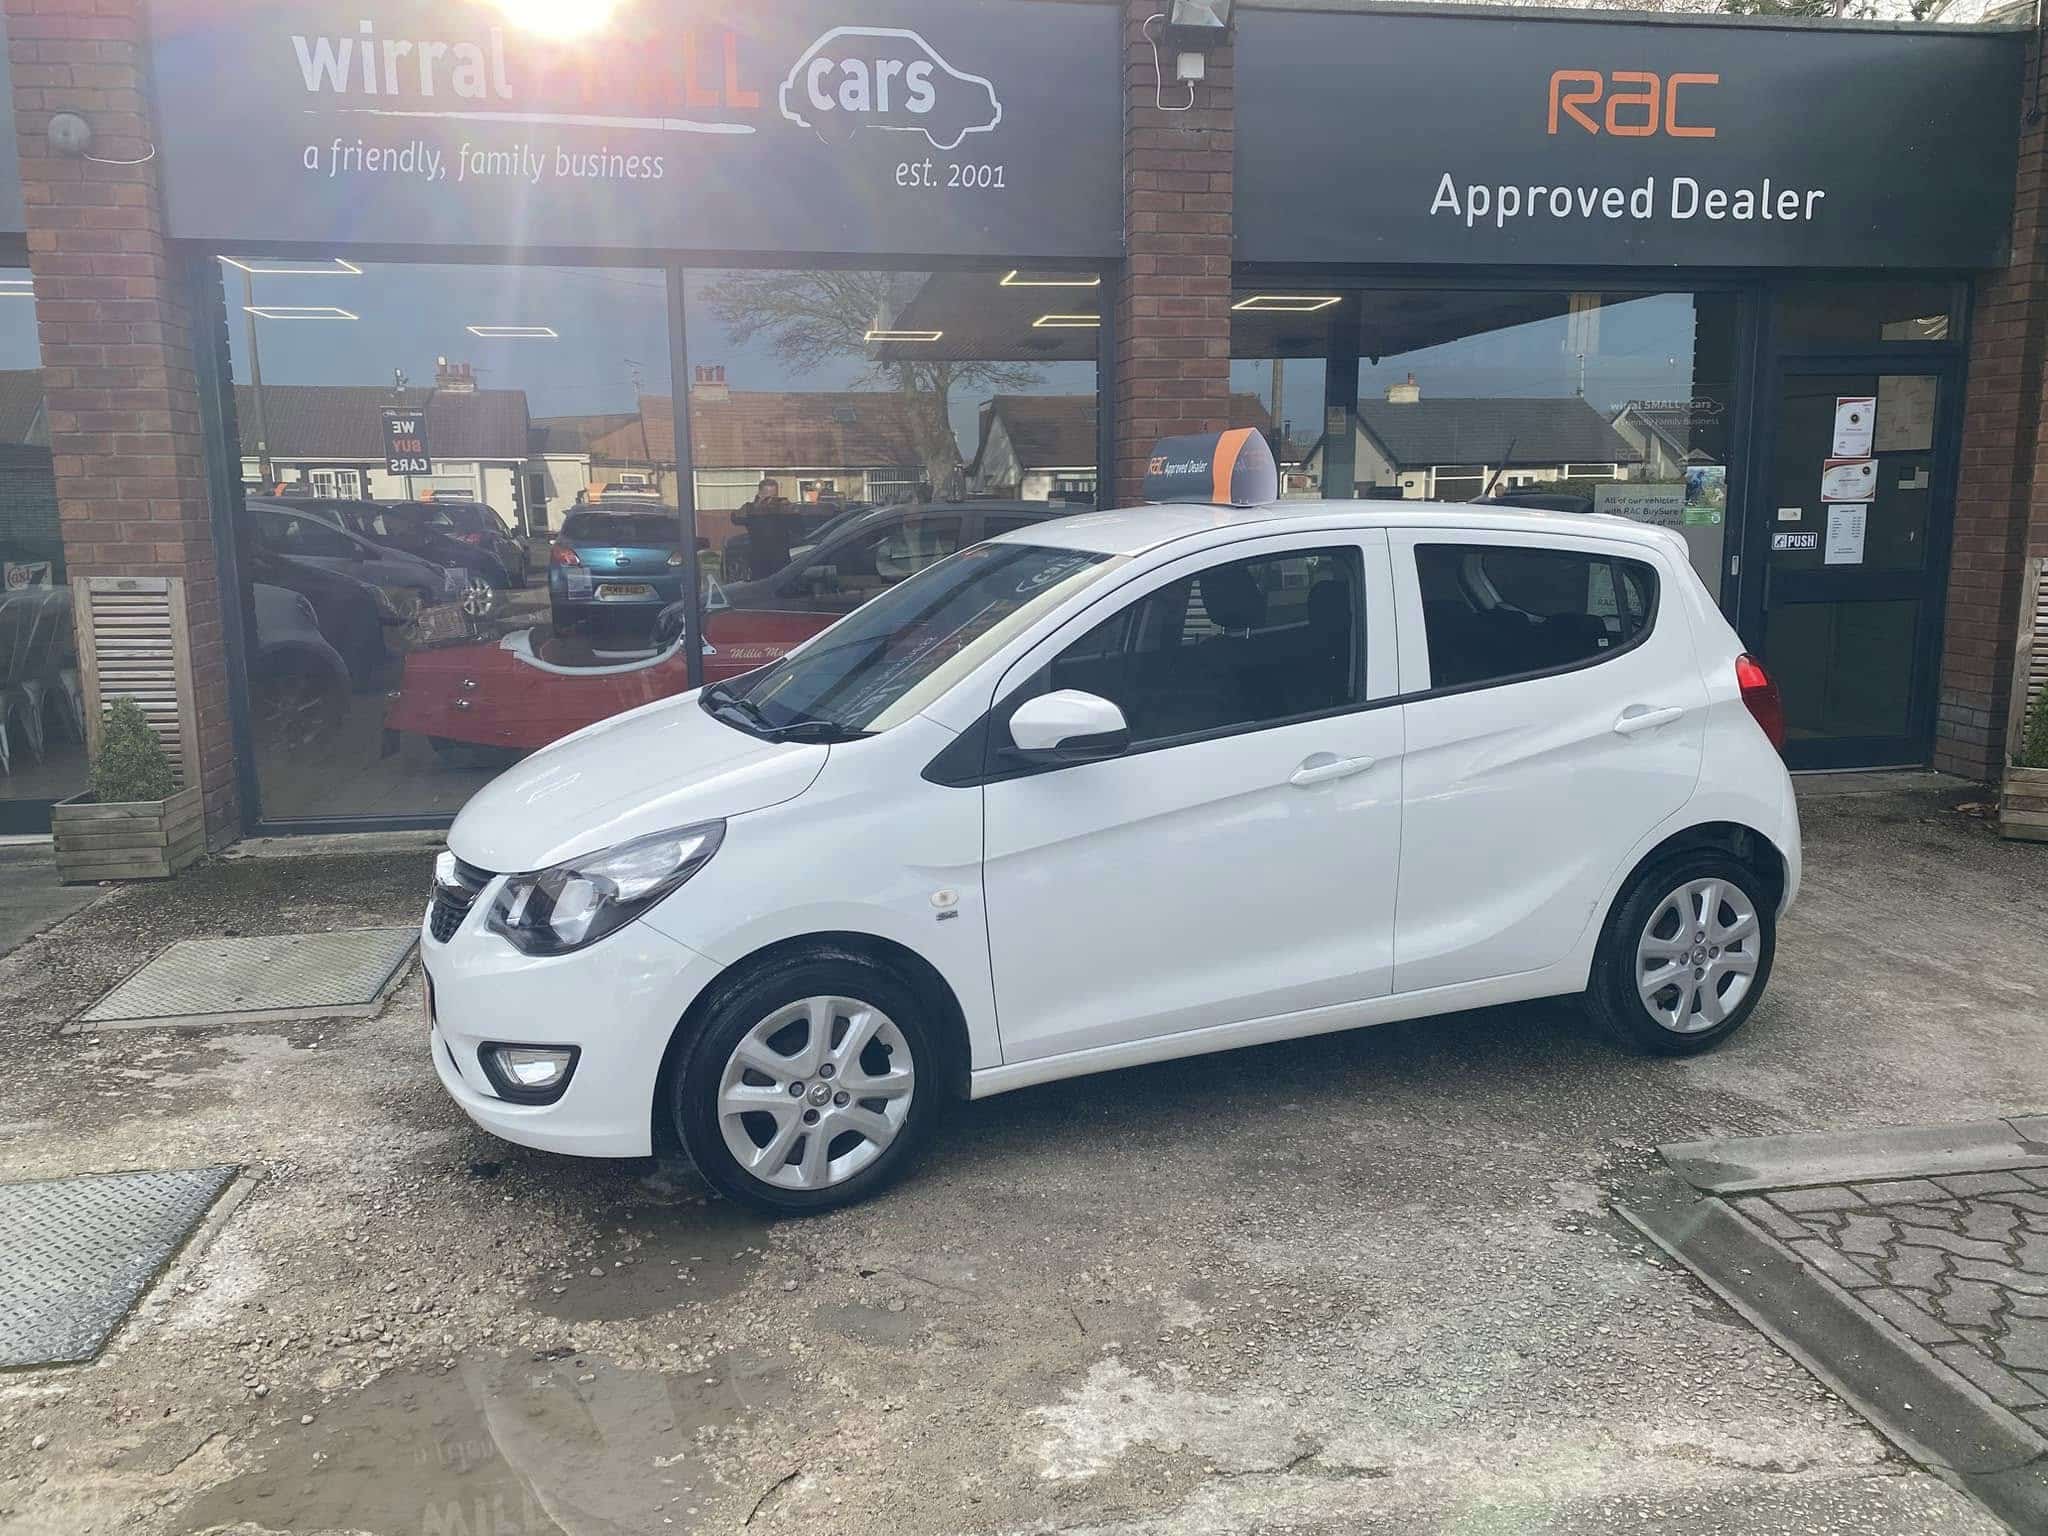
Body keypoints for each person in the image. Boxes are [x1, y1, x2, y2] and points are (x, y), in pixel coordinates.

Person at [733, 477, 801, 577]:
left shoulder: (782, 508)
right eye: (768, 498)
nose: (771, 501)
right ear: (760, 494)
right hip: (760, 562)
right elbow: (736, 519)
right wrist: (758, 505)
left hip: (781, 561)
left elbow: (799, 528)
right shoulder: (750, 508)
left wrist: (791, 511)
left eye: (774, 497)